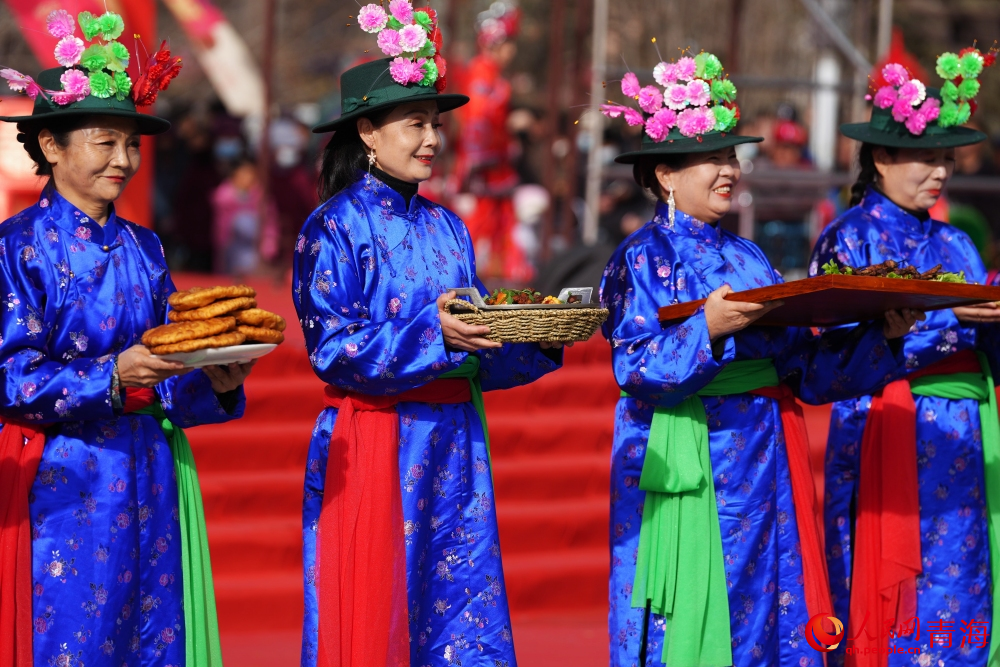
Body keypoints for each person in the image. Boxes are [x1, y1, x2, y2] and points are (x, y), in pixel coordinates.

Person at [598, 51, 921, 666]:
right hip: (692, 459)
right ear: (665, 174)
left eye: (732, 157)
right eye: (714, 158)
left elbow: (805, 365)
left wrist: (884, 337)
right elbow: (634, 369)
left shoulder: (751, 257)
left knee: (772, 607)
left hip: (768, 456)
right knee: (696, 612)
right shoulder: (641, 257)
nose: (730, 170)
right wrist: (708, 332)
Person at [293, 5, 563, 665]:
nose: (432, 140)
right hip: (378, 439)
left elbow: (471, 346)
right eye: (415, 124)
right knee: (379, 615)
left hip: (456, 444)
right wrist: (431, 334)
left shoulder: (448, 227)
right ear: (367, 131)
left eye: (435, 125)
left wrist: (538, 336)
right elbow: (331, 349)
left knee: (460, 613)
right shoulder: (332, 228)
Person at [0, 9, 253, 667]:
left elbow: (167, 365)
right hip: (63, 484)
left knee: (154, 643)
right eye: (104, 141)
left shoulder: (145, 245)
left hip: (151, 473)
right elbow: (9, 377)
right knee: (72, 643)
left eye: (130, 144)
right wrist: (112, 376)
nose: (124, 158)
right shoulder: (17, 248)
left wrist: (214, 379)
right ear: (51, 145)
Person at [809, 54, 1000, 667]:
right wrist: (951, 323)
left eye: (947, 159)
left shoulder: (958, 242)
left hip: (961, 436)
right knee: (883, 590)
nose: (941, 172)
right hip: (884, 428)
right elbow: (831, 352)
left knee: (961, 576)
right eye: (926, 157)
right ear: (881, 160)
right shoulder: (848, 239)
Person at [452, 1, 533, 282]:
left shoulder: (491, 75)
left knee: (500, 226)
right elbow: (477, 121)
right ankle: (462, 278)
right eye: (508, 44)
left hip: (495, 164)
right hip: (487, 167)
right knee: (480, 226)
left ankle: (497, 280)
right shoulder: (482, 75)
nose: (512, 51)